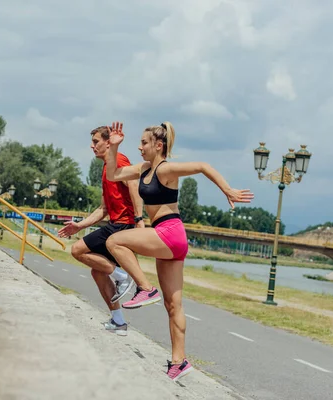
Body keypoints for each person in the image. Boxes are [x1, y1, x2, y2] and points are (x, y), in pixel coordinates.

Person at [104, 121, 254, 381]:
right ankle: (179, 361)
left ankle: (144, 287)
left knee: (115, 242)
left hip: (169, 232)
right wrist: (114, 147)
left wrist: (227, 190)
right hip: (169, 238)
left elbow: (203, 166)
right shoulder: (143, 169)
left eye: (144, 143)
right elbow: (113, 174)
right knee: (173, 305)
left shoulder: (166, 169)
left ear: (158, 145)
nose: (139, 147)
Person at [58, 125, 145, 336]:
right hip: (115, 223)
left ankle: (123, 276)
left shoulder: (119, 160)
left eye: (96, 141)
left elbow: (134, 184)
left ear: (109, 142)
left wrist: (139, 219)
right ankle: (119, 322)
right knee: (98, 272)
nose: (92, 146)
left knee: (78, 250)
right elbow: (103, 208)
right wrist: (80, 225)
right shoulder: (107, 167)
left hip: (122, 225)